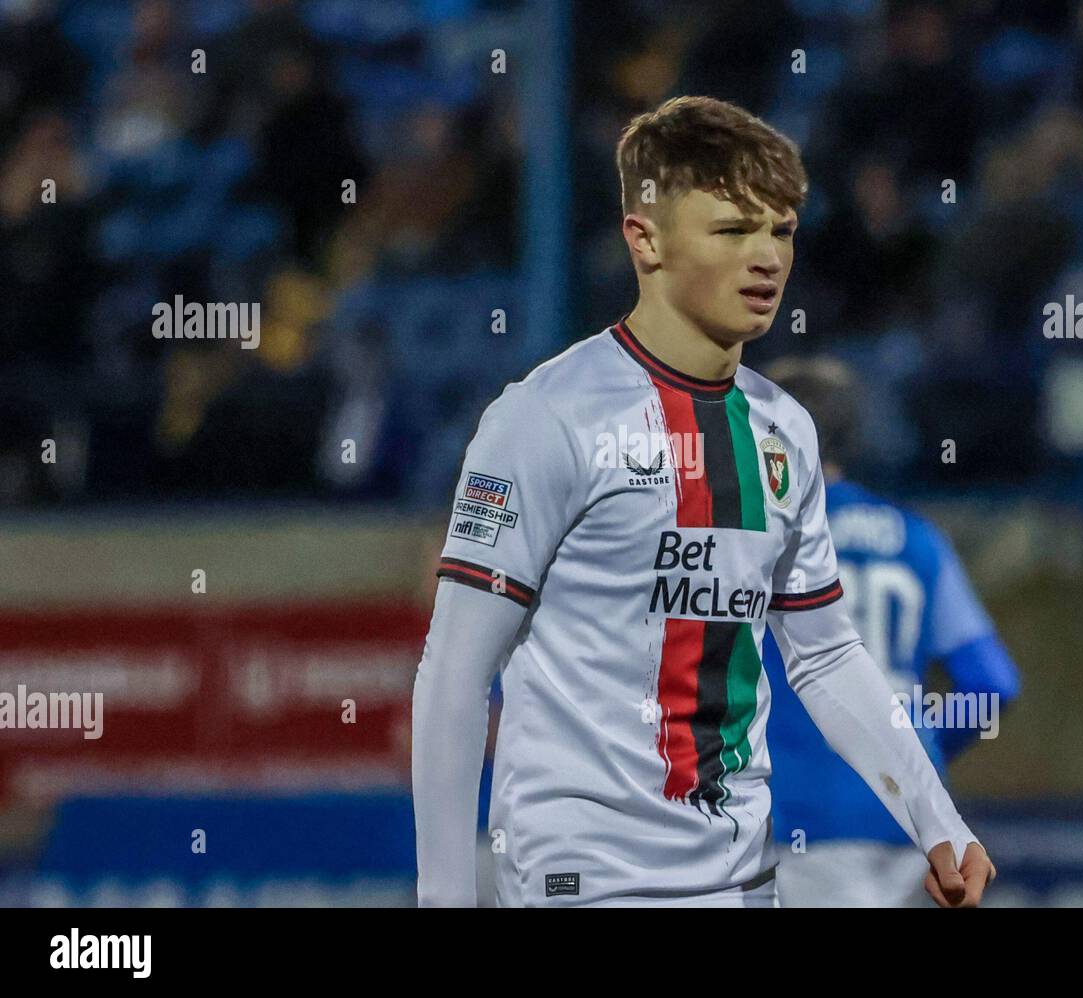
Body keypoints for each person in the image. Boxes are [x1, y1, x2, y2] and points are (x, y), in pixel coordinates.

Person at [412, 95, 995, 907]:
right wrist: (442, 897)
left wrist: (939, 822)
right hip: (586, 879)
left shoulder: (784, 433)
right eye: (731, 230)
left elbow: (825, 653)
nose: (766, 259)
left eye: (781, 231)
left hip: (741, 878)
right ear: (644, 240)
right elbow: (454, 671)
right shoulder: (543, 419)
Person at [761, 355, 1021, 906]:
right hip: (916, 833)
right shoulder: (918, 538)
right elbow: (992, 685)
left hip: (800, 823)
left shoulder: (760, 536)